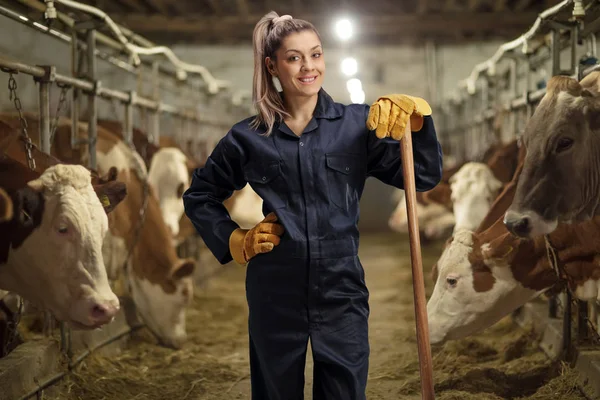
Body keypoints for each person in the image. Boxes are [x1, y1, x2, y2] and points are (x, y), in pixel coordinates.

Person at [183, 11, 443, 400]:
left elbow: (421, 177)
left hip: (341, 291)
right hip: (275, 292)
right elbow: (200, 195)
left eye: (316, 54)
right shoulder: (247, 138)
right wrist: (235, 240)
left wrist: (420, 125)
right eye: (294, 57)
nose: (309, 67)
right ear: (272, 65)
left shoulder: (359, 125)